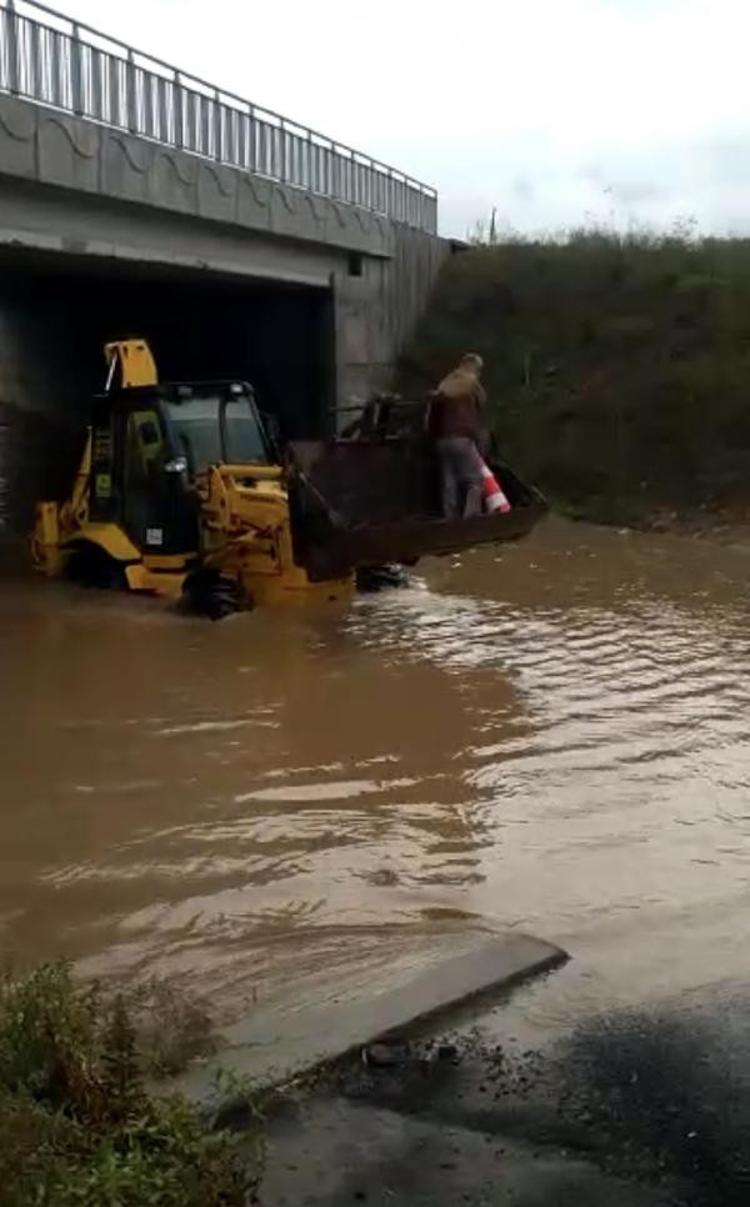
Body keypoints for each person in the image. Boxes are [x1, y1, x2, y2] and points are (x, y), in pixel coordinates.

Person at [430, 353, 487, 518]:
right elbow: (481, 404)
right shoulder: (471, 384)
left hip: (442, 441)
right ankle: (471, 516)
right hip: (462, 438)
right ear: (473, 367)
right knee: (474, 480)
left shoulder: (445, 383)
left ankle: (450, 518)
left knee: (449, 482)